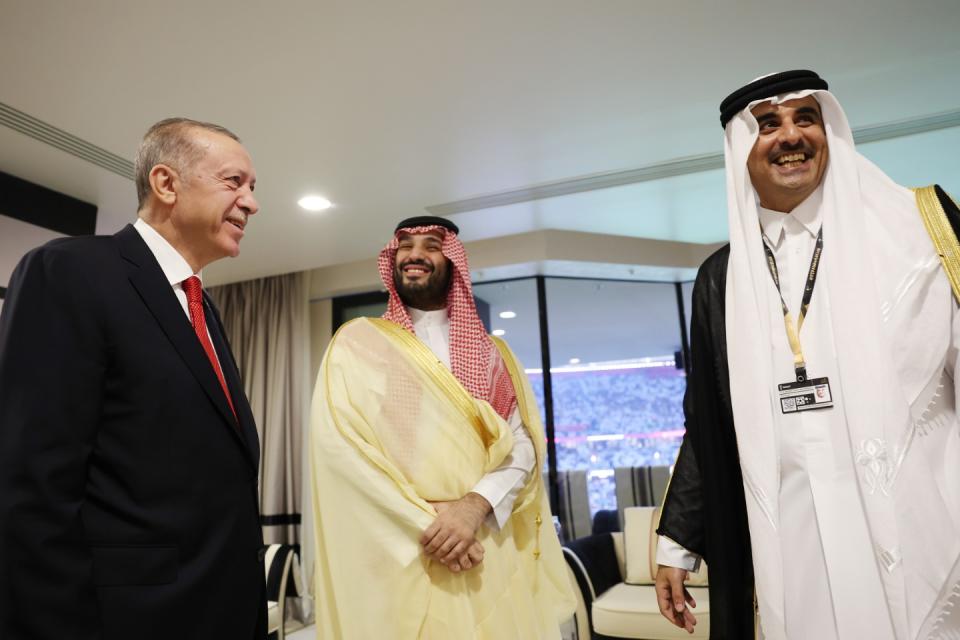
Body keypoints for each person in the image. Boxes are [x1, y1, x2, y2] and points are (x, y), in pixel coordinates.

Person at [654, 70, 960, 639]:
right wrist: (678, 540)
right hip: (795, 541)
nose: (789, 136)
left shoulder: (920, 228)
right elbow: (709, 420)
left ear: (830, 130)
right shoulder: (722, 279)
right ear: (741, 149)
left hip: (924, 519)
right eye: (767, 124)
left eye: (805, 118)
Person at [0, 118, 267, 639]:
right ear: (166, 184)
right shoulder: (68, 271)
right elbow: (31, 487)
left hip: (220, 609)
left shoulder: (203, 308)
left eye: (253, 189)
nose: (252, 203)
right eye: (235, 182)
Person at [309, 216, 575, 639]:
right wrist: (431, 526)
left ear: (452, 260)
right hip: (401, 548)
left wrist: (473, 508)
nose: (415, 255)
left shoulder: (494, 354)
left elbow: (522, 446)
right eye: (405, 246)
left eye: (431, 245)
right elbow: (344, 451)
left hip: (484, 540)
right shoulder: (356, 345)